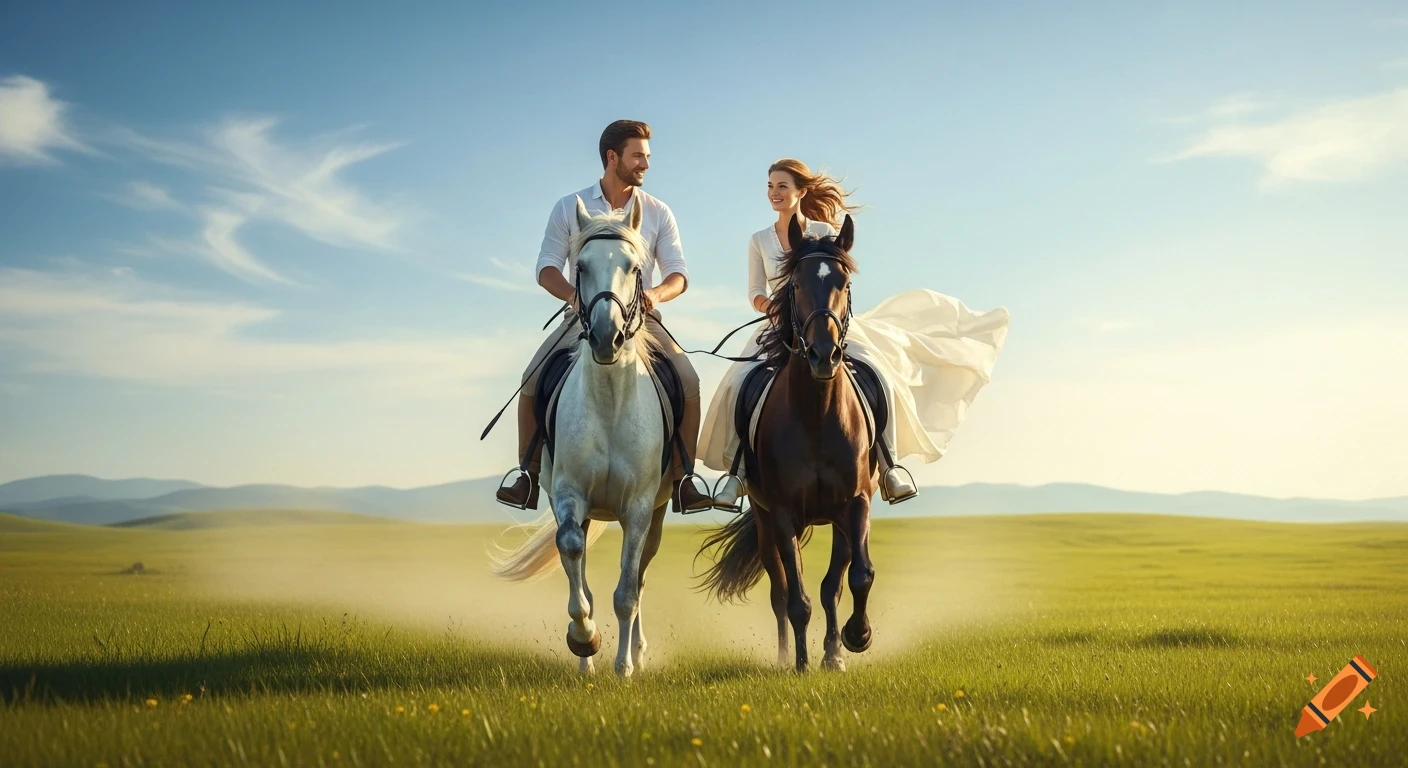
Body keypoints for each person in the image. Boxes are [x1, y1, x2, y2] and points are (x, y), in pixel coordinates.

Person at [700, 159, 1010, 511]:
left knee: (879, 374)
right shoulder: (758, 240)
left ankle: (890, 464)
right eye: (770, 186)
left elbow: (835, 279)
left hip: (826, 322)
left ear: (800, 191)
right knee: (738, 381)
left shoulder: (823, 232)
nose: (774, 193)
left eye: (782, 186)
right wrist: (773, 308)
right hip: (779, 324)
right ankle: (738, 472)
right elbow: (756, 289)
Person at [495, 120, 713, 514]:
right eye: (638, 155)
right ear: (613, 157)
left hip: (640, 320)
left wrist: (653, 294)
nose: (645, 163)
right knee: (530, 378)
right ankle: (527, 474)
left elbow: (679, 274)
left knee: (689, 380)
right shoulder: (569, 206)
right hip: (582, 317)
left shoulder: (658, 213)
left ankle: (684, 478)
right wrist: (573, 299)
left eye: (647, 156)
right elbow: (547, 268)